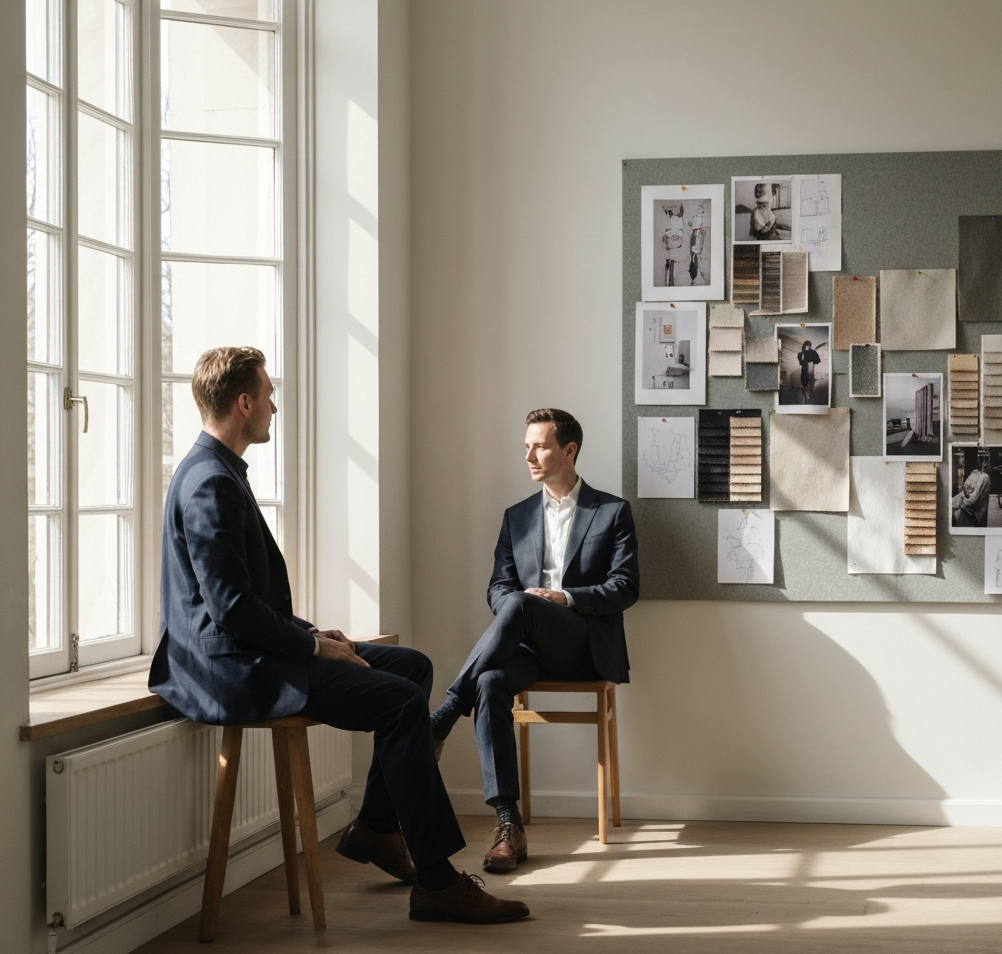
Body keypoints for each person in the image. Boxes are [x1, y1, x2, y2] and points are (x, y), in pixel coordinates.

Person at [149, 346, 528, 924]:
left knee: (412, 667)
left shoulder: (219, 471)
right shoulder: (210, 481)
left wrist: (310, 632)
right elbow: (229, 610)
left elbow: (241, 598)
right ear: (243, 403)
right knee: (402, 702)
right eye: (268, 395)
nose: (274, 406)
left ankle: (376, 829)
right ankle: (435, 880)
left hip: (250, 649)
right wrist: (311, 647)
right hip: (229, 669)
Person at [430, 409, 640, 873]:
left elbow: (625, 588)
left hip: (583, 647)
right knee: (490, 682)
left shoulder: (611, 511)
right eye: (527, 445)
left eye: (540, 445)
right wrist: (521, 602)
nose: (529, 454)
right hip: (527, 648)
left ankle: (445, 713)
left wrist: (561, 597)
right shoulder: (517, 516)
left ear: (569, 451)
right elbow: (497, 589)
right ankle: (509, 825)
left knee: (524, 605)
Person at [952, 454, 992, 528]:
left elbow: (973, 499)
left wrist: (960, 502)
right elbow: (965, 488)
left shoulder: (985, 477)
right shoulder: (975, 472)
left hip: (975, 512)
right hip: (967, 503)